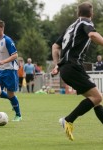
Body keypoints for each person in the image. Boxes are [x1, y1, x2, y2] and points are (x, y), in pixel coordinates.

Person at [52, 2, 103, 141]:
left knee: (96, 100)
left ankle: (68, 120)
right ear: (91, 14)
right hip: (73, 66)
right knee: (97, 97)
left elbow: (55, 46)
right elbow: (93, 35)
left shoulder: (71, 27)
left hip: (68, 67)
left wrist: (57, 64)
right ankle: (68, 120)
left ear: (77, 13)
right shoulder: (85, 22)